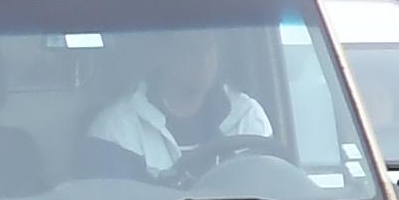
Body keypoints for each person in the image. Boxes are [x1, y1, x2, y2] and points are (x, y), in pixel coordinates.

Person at [85, 28, 272, 183]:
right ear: (164, 54)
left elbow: (270, 193)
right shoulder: (116, 130)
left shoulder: (247, 117)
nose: (204, 59)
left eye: (209, 47)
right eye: (192, 49)